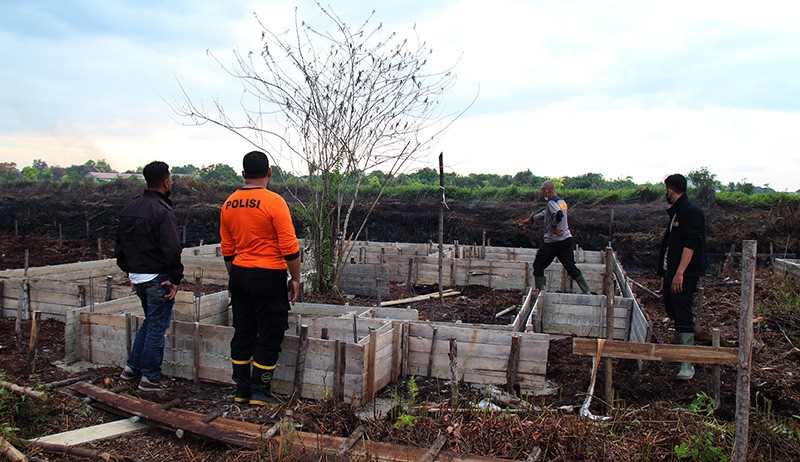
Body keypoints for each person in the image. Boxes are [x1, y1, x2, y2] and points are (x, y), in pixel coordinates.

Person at [220, 151, 301, 406]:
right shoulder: (274, 202)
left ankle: (241, 390)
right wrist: (295, 278)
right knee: (270, 333)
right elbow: (290, 247)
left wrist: (237, 277)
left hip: (239, 274)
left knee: (243, 331)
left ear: (243, 174)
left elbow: (228, 250)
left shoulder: (228, 204)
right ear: (269, 173)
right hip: (269, 276)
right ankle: (260, 392)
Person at [115, 161, 184, 392]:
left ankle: (131, 368)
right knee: (157, 327)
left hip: (139, 278)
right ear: (166, 182)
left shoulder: (130, 207)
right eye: (170, 179)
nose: (170, 182)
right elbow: (172, 248)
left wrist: (130, 272)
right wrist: (175, 279)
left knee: (150, 321)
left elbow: (120, 246)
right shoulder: (162, 211)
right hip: (157, 279)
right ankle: (150, 378)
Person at [657, 173, 707, 380]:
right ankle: (678, 353)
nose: (666, 193)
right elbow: (671, 246)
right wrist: (665, 273)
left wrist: (680, 273)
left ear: (670, 190)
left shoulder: (691, 211)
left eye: (666, 190)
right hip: (672, 272)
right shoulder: (677, 212)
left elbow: (690, 244)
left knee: (683, 311)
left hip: (684, 273)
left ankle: (687, 363)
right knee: (673, 309)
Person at [519, 180, 591, 294]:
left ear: (546, 191)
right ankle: (587, 291)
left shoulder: (551, 202)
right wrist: (532, 219)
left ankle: (540, 292)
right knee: (571, 267)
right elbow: (546, 213)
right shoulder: (562, 202)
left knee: (538, 266)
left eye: (542, 191)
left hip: (553, 242)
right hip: (566, 240)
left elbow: (558, 214)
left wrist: (554, 227)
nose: (542, 194)